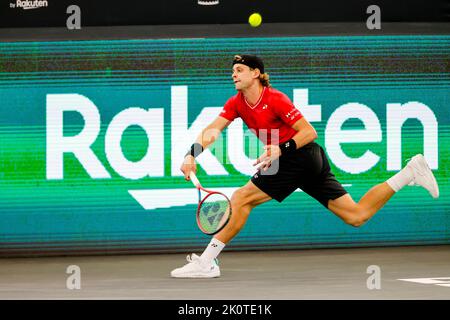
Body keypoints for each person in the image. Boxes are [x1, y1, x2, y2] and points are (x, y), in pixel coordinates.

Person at [170, 54, 439, 278]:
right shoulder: (237, 103)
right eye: (232, 71)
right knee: (356, 216)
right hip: (303, 161)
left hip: (298, 156)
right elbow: (213, 130)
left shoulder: (275, 98)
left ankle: (207, 262)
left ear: (256, 73)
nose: (234, 75)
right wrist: (191, 154)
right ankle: (409, 173)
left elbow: (309, 132)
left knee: (241, 198)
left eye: (239, 70)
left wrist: (280, 148)